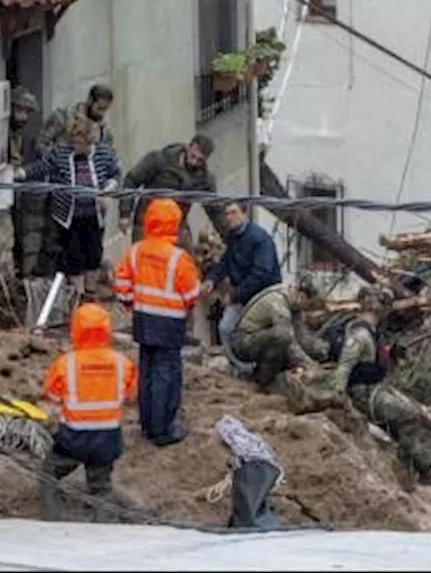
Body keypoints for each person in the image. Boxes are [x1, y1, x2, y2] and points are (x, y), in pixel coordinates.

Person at [285, 287, 431, 490]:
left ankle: (415, 466)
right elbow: (345, 367)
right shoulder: (360, 334)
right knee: (409, 415)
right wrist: (338, 398)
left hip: (373, 387)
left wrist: (392, 355)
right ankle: (419, 470)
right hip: (362, 393)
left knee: (413, 411)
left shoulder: (372, 330)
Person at [112, 198, 203, 447]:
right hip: (170, 322)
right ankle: (163, 430)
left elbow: (121, 285)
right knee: (167, 374)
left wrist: (132, 303)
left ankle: (147, 424)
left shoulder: (136, 251)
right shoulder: (178, 258)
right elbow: (192, 293)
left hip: (143, 319)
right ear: (174, 224)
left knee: (147, 371)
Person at [39, 303, 138, 521]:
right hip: (107, 438)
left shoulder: (65, 364)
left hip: (74, 437)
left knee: (48, 474)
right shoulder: (123, 363)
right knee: (101, 488)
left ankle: (50, 522)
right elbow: (130, 396)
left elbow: (52, 396)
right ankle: (102, 531)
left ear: (76, 329)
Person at [208, 201, 315, 386]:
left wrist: (235, 295)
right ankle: (242, 368)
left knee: (277, 335)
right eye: (226, 214)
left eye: (233, 213)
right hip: (244, 294)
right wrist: (212, 279)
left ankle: (259, 371)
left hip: (262, 295)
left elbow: (262, 273)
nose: (229, 218)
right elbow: (225, 262)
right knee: (226, 328)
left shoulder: (259, 239)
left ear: (244, 213)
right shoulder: (234, 238)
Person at [18, 115, 122, 300]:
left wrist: (107, 190)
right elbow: (43, 167)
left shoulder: (104, 154)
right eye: (75, 142)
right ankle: (78, 295)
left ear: (90, 141)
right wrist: (22, 173)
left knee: (93, 254)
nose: (77, 147)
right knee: (74, 256)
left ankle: (90, 293)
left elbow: (115, 174)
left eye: (81, 144)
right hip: (69, 215)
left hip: (94, 214)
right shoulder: (62, 153)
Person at [119, 134, 223, 246]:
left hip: (177, 226)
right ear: (188, 147)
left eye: (200, 161)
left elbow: (215, 210)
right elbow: (131, 180)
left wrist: (229, 236)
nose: (194, 162)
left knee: (186, 260)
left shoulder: (205, 179)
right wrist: (125, 213)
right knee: (146, 258)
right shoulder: (160, 160)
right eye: (193, 156)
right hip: (147, 222)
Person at [7, 87, 52, 279]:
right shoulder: (6, 133)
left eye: (27, 113)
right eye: (20, 111)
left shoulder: (28, 138)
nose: (23, 117)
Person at [38, 84, 115, 155]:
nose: (101, 114)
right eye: (99, 108)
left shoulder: (104, 131)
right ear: (90, 101)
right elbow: (41, 145)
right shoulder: (63, 117)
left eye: (105, 110)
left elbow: (110, 155)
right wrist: (60, 158)